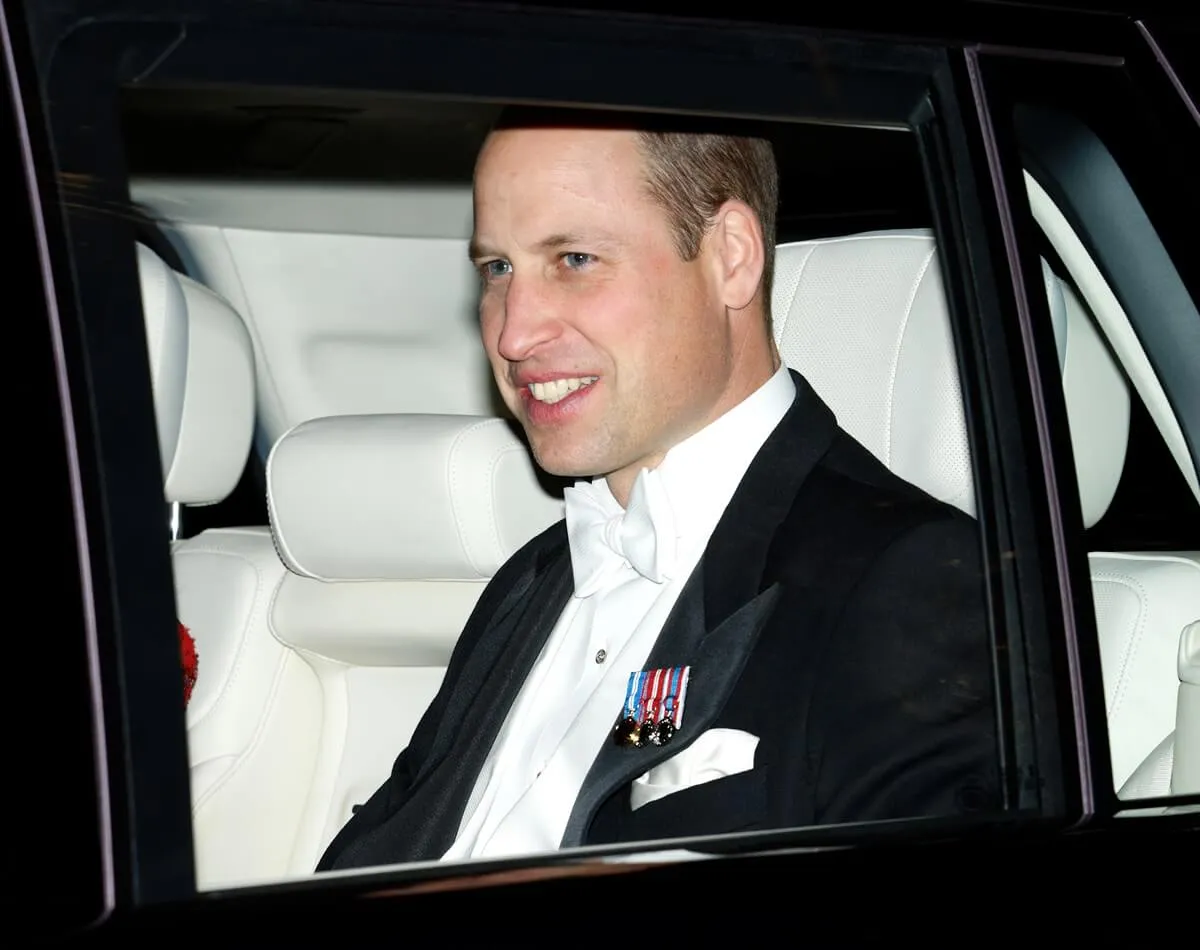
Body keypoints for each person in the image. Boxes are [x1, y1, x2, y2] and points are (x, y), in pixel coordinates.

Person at [317, 109, 999, 870]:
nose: (512, 334)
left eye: (574, 259)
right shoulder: (531, 581)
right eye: (497, 269)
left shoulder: (911, 578)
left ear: (732, 256)